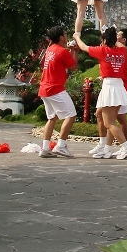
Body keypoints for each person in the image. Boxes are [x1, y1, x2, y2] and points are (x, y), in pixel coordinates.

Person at [75, 26, 127, 160]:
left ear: (104, 40)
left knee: (109, 124)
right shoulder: (123, 51)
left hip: (109, 87)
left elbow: (84, 47)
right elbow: (119, 44)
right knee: (111, 120)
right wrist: (110, 35)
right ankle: (107, 149)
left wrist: (77, 37)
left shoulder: (103, 50)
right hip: (119, 87)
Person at [37, 27, 80, 158]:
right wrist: (75, 51)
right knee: (71, 115)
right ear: (61, 37)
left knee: (52, 118)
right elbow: (73, 67)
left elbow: (67, 64)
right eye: (65, 34)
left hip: (44, 88)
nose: (66, 36)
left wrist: (71, 50)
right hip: (55, 88)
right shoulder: (62, 51)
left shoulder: (50, 50)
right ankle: (60, 145)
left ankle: (45, 148)